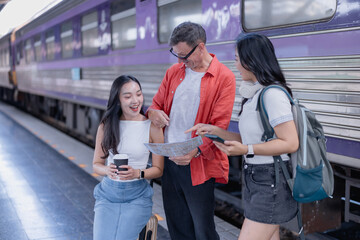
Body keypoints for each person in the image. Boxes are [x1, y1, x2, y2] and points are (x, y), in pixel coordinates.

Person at [186, 33, 299, 240]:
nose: (236, 65)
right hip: (258, 178)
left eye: (237, 59)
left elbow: (290, 142)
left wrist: (247, 150)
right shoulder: (255, 94)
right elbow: (252, 138)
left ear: (251, 60)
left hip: (270, 181)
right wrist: (216, 131)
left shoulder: (273, 95)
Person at [147, 22, 236, 240]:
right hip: (169, 160)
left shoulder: (224, 77)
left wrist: (195, 151)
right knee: (177, 226)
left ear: (201, 47)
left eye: (185, 56)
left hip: (198, 163)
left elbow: (219, 125)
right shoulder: (174, 72)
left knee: (202, 229)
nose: (180, 61)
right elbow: (154, 105)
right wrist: (153, 113)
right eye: (176, 55)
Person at [92, 75, 164, 240]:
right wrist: (107, 170)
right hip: (108, 194)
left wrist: (137, 173)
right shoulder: (106, 125)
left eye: (138, 94)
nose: (135, 100)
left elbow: (159, 169)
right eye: (128, 96)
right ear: (117, 100)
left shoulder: (152, 127)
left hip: (137, 196)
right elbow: (96, 164)